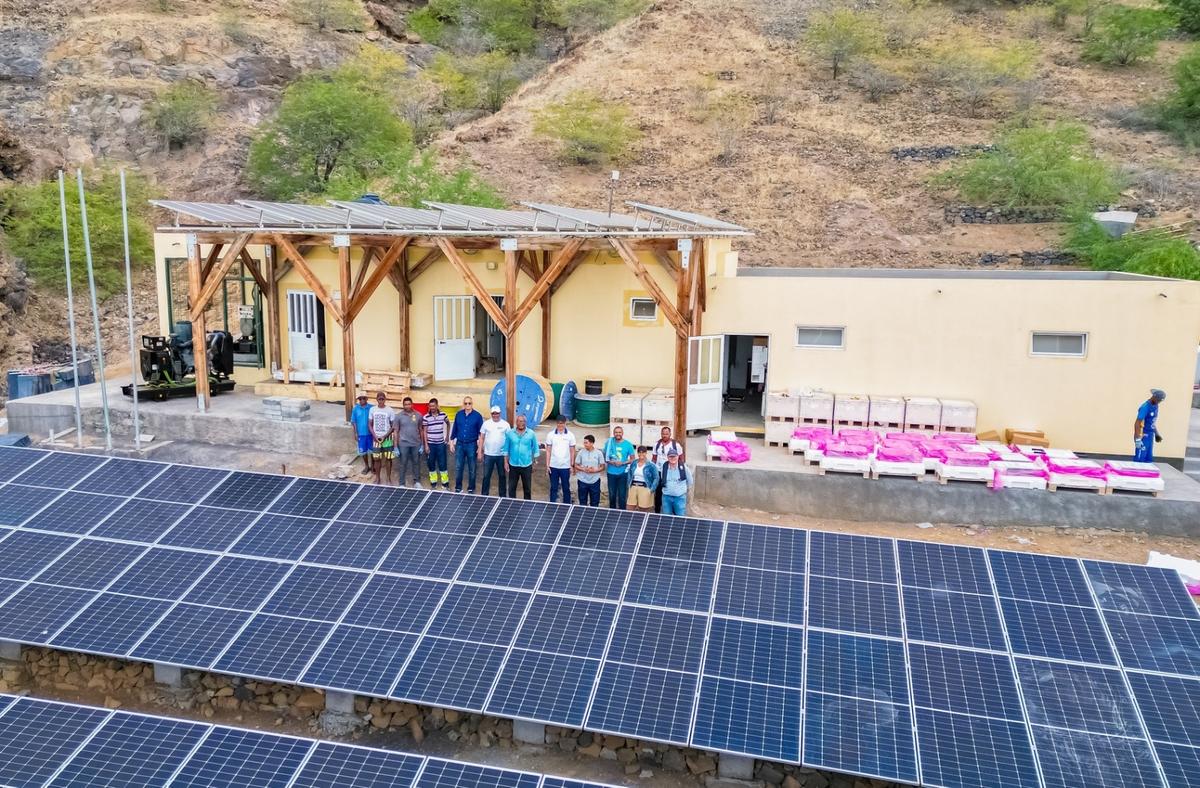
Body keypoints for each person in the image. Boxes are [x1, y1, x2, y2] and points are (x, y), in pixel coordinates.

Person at [450, 396, 484, 493]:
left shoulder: (477, 416)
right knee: (458, 466)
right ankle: (458, 487)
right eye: (465, 403)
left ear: (472, 404)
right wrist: (452, 442)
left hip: (472, 445)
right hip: (460, 444)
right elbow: (455, 429)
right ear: (463, 404)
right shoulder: (459, 415)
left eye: (469, 403)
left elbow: (481, 433)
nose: (467, 405)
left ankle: (471, 488)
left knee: (472, 467)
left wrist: (480, 448)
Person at [504, 414, 540, 500]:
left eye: (523, 421)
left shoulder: (531, 434)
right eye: (520, 421)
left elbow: (535, 448)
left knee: (527, 489)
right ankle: (512, 505)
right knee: (511, 488)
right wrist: (505, 462)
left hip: (526, 465)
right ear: (516, 422)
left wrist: (535, 462)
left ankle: (527, 506)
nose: (522, 423)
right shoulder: (510, 433)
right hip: (513, 465)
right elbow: (506, 449)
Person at [544, 415, 577, 504]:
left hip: (565, 467)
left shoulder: (570, 436)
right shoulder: (550, 435)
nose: (560, 426)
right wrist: (547, 465)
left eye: (562, 424)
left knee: (566, 487)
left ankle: (567, 505)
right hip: (553, 466)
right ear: (556, 423)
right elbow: (548, 451)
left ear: (565, 423)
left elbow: (572, 451)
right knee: (554, 487)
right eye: (559, 424)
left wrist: (572, 465)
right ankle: (552, 505)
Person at [651, 426, 684, 513]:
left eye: (666, 434)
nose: (664, 435)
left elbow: (681, 458)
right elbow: (654, 458)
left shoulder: (676, 445)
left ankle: (672, 512)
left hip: (670, 471)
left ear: (670, 434)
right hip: (658, 471)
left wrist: (679, 470)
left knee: (670, 491)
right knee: (658, 493)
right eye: (663, 434)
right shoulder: (657, 444)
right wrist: (652, 469)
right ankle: (657, 512)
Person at [479, 405, 510, 497]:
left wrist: (507, 456)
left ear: (500, 413)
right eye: (493, 413)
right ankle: (484, 495)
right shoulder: (486, 424)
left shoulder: (506, 425)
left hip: (501, 455)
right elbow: (482, 438)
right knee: (486, 476)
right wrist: (480, 451)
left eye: (497, 413)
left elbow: (508, 440)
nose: (495, 415)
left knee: (502, 476)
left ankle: (502, 496)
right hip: (488, 454)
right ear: (491, 414)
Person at [603, 425, 636, 510]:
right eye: (616, 432)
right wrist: (613, 462)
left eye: (619, 432)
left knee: (622, 495)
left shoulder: (628, 444)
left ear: (622, 433)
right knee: (612, 494)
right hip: (611, 473)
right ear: (614, 433)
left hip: (623, 473)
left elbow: (632, 459)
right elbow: (605, 457)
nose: (618, 434)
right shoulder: (609, 442)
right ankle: (612, 512)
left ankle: (622, 512)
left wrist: (622, 463)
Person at [367, 392, 396, 485]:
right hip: (376, 439)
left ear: (385, 399)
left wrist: (385, 436)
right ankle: (378, 478)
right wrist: (375, 436)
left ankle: (388, 478)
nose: (381, 401)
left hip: (387, 439)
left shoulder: (390, 410)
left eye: (382, 399)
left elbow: (393, 426)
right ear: (377, 399)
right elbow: (369, 424)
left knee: (388, 459)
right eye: (379, 399)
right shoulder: (372, 410)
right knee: (376, 459)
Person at [395, 396, 424, 488]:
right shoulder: (399, 416)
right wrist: (395, 446)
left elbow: (421, 429)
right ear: (403, 405)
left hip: (416, 443)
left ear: (412, 404)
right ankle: (402, 483)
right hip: (403, 444)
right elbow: (396, 431)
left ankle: (417, 482)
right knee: (403, 463)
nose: (407, 406)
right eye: (405, 404)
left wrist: (422, 444)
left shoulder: (418, 415)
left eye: (409, 404)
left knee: (416, 462)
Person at [422, 398, 451, 490]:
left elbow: (448, 423)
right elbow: (424, 432)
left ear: (437, 405)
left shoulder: (443, 415)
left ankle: (445, 483)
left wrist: (447, 437)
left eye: (433, 406)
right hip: (430, 444)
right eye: (430, 406)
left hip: (441, 444)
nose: (432, 408)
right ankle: (433, 482)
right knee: (431, 463)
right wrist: (426, 445)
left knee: (442, 463)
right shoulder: (426, 417)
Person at [1134, 388, 1166, 462]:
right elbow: (1137, 423)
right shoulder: (1145, 407)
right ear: (1154, 397)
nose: (1159, 402)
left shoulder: (1155, 406)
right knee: (1140, 459)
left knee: (1148, 459)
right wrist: (1138, 439)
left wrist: (1156, 434)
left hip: (1150, 435)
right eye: (1158, 400)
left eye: (1161, 401)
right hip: (1143, 436)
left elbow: (1151, 422)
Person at [574, 434, 605, 506]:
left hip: (595, 481)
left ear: (592, 443)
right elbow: (576, 465)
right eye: (584, 443)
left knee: (595, 502)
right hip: (582, 481)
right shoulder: (581, 452)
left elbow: (602, 467)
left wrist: (594, 470)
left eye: (586, 443)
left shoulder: (598, 453)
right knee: (582, 501)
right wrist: (584, 469)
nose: (584, 444)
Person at [627, 446, 660, 512]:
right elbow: (629, 474)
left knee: (644, 509)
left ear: (646, 453)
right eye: (639, 452)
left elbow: (656, 478)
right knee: (629, 508)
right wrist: (628, 485)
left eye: (643, 452)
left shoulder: (651, 465)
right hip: (633, 486)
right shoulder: (634, 463)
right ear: (637, 453)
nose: (641, 454)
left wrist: (652, 489)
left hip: (645, 488)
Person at [660, 448, 691, 516]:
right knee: (666, 518)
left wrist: (683, 490)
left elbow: (690, 481)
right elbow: (662, 479)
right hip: (666, 497)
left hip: (679, 498)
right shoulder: (664, 467)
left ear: (678, 456)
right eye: (670, 456)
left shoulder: (684, 468)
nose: (672, 458)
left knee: (680, 517)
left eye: (674, 456)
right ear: (667, 457)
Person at [350, 393, 373, 476]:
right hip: (361, 434)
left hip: (371, 433)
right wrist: (355, 433)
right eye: (360, 399)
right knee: (363, 451)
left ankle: (373, 466)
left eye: (363, 398)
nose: (362, 400)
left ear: (366, 399)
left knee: (372, 451)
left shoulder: (371, 408)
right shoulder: (356, 409)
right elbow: (353, 421)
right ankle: (367, 466)